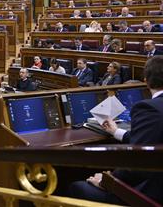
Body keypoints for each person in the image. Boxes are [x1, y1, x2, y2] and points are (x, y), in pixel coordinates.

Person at [69, 56, 163, 204]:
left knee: (77, 187)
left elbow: (139, 164)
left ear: (146, 81)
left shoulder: (149, 108)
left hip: (151, 196)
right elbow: (154, 139)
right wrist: (116, 132)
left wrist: (107, 181)